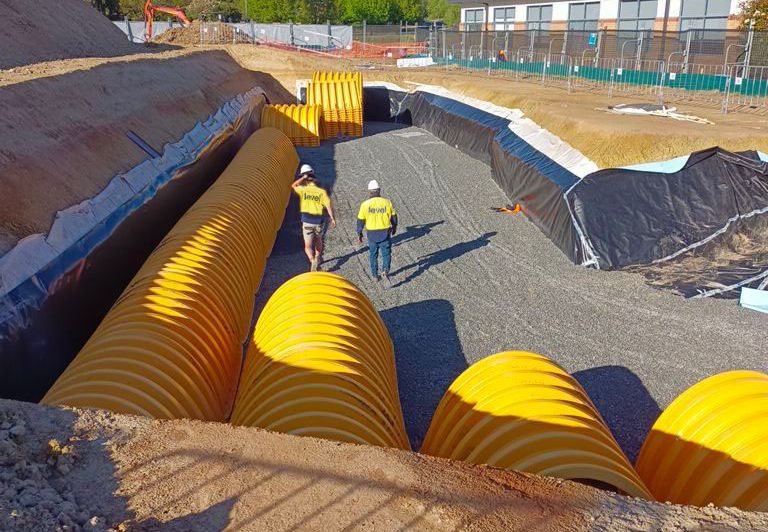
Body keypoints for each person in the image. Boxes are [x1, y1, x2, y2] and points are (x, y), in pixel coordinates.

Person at [292, 164, 336, 271]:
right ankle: (318, 257)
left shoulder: (303, 190)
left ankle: (312, 261)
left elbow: (293, 186)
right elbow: (328, 206)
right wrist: (332, 218)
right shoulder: (321, 192)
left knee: (307, 246)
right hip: (318, 222)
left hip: (307, 221)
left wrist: (302, 177)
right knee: (318, 240)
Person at [357, 180, 398, 283]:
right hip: (385, 233)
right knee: (386, 254)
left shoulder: (365, 205)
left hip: (372, 235)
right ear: (379, 190)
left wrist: (359, 233)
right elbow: (394, 217)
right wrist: (394, 227)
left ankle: (375, 275)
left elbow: (360, 221)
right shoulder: (387, 202)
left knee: (373, 255)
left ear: (369, 191)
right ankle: (385, 270)